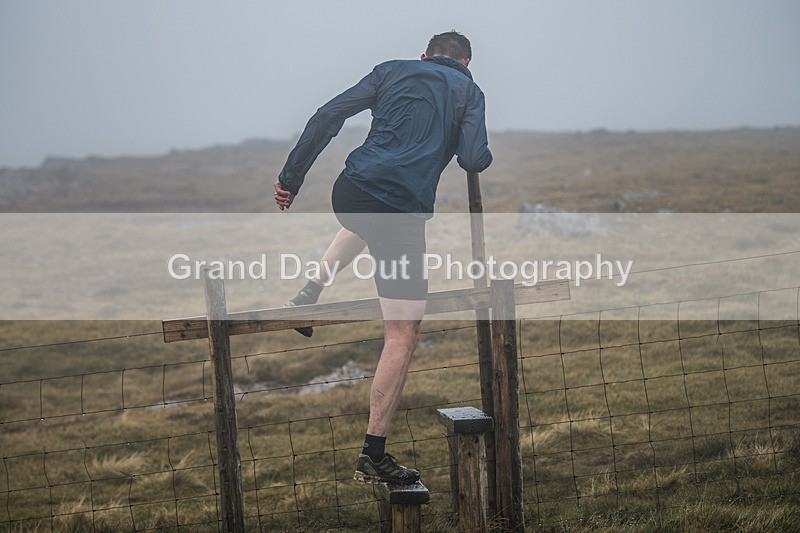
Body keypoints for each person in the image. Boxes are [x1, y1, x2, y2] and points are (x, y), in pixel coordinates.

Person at [274, 31, 492, 485]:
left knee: (366, 218)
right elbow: (473, 158)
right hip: (399, 213)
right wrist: (478, 146)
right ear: (467, 61)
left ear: (424, 55)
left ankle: (308, 292)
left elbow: (327, 115)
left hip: (349, 190)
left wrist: (291, 178)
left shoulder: (391, 69)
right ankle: (373, 454)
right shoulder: (469, 91)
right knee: (403, 334)